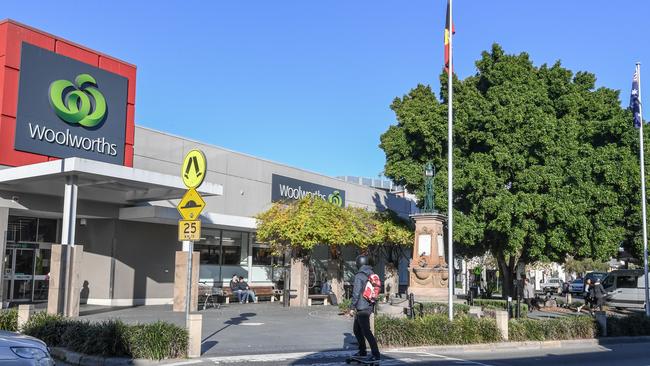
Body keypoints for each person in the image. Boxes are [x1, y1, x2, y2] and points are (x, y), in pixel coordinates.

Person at [348, 255, 380, 364]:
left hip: (362, 307)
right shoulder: (371, 273)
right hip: (369, 305)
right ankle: (362, 351)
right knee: (357, 330)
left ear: (359, 263)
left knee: (366, 331)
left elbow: (356, 293)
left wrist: (352, 307)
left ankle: (376, 354)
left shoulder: (359, 275)